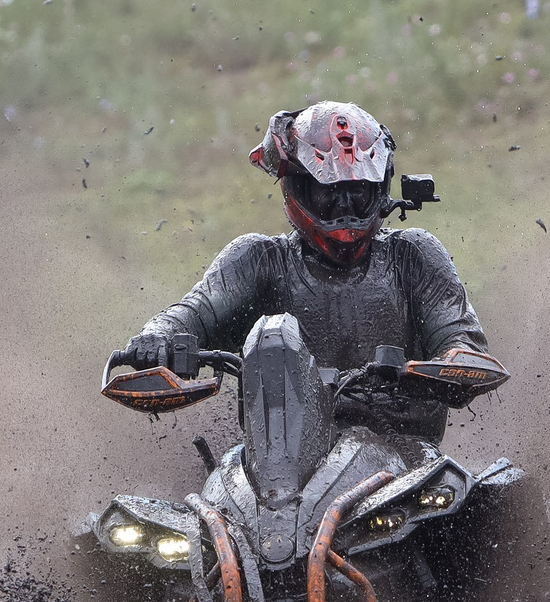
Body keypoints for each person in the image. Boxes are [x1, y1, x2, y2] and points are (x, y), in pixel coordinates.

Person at [115, 103, 505, 446]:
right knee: (140, 525)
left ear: (381, 187)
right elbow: (194, 312)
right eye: (329, 191)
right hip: (273, 465)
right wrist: (156, 338)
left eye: (358, 191)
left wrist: (456, 362)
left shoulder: (413, 255)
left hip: (404, 465)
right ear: (297, 187)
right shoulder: (258, 258)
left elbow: (460, 336)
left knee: (491, 497)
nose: (345, 205)